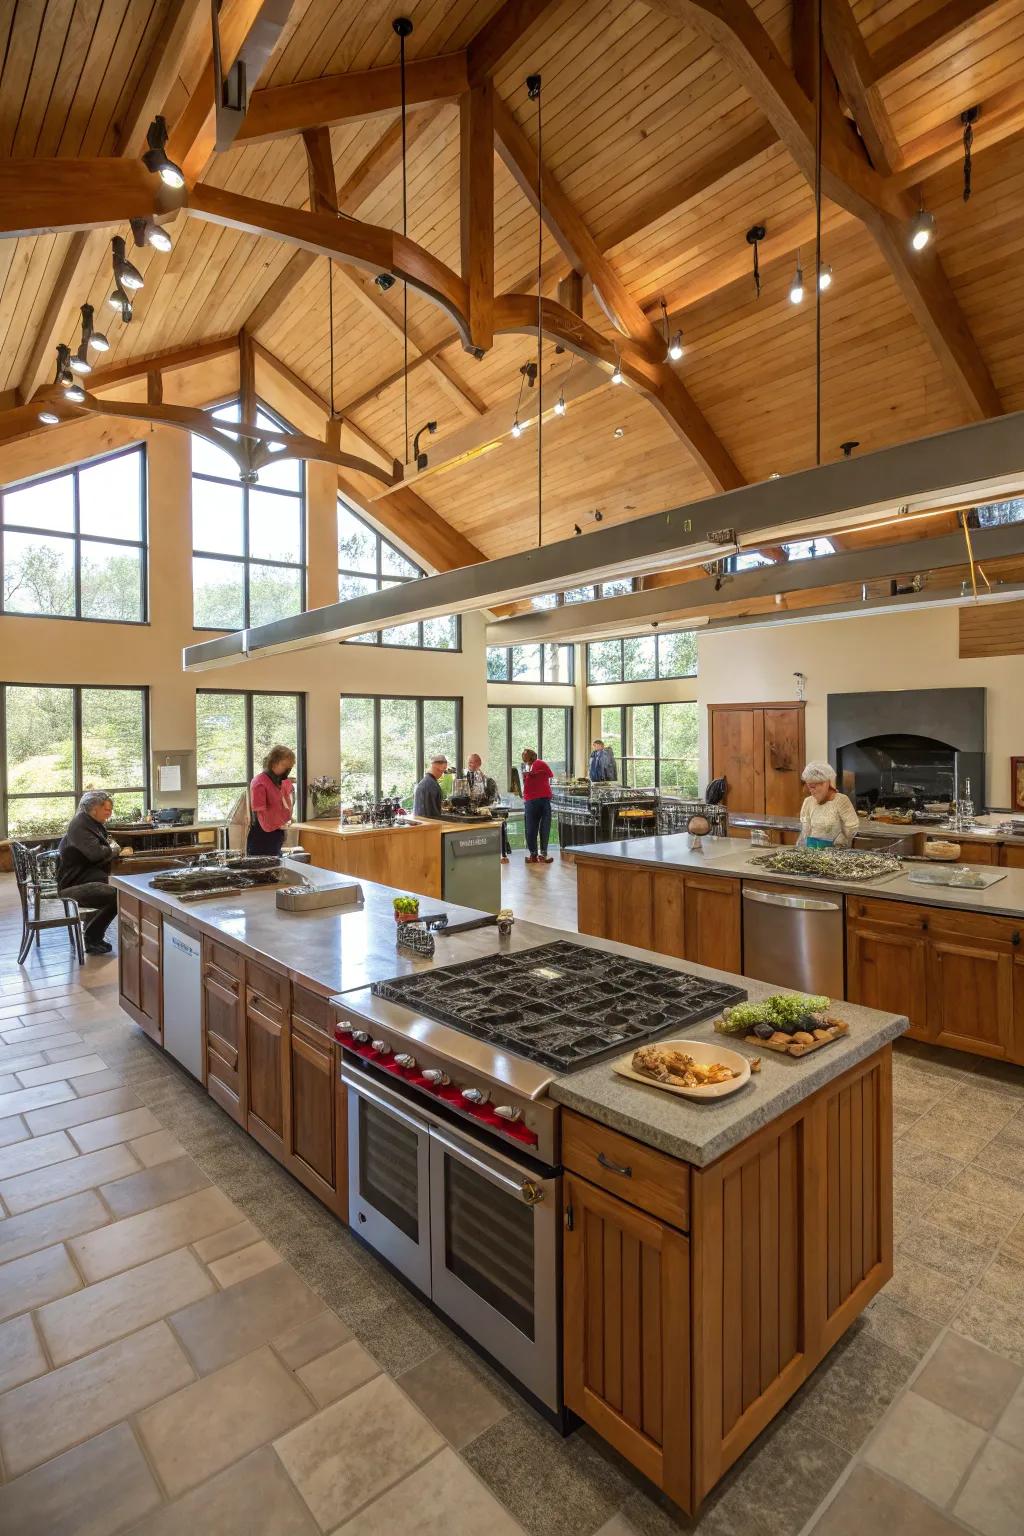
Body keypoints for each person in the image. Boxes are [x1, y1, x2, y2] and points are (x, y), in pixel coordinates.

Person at [56, 790, 120, 954]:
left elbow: (102, 849)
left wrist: (110, 848)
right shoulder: (80, 824)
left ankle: (92, 935)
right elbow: (97, 853)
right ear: (94, 809)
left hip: (83, 879)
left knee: (116, 889)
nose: (109, 813)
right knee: (118, 894)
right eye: (106, 809)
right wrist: (113, 849)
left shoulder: (90, 823)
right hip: (72, 886)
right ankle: (92, 938)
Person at [798, 761, 860, 848]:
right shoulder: (808, 802)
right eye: (809, 787)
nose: (811, 791)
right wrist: (802, 848)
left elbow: (852, 828)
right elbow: (805, 831)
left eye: (813, 787)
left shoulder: (841, 801)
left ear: (825, 783)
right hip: (812, 852)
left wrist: (836, 843)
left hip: (836, 854)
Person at [248, 745, 296, 856]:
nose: (287, 769)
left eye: (290, 766)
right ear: (274, 763)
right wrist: (280, 823)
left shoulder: (281, 781)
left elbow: (285, 805)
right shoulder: (259, 782)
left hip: (277, 833)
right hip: (263, 836)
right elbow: (261, 813)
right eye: (285, 765)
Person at [466, 752, 510, 863]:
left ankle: (498, 854)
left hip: (483, 812)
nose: (469, 764)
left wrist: (482, 807)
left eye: (472, 762)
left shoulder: (487, 781)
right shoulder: (464, 777)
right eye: (469, 762)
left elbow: (491, 798)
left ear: (479, 764)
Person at [521, 747, 554, 864]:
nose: (524, 759)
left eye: (525, 756)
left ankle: (533, 855)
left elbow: (548, 775)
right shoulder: (540, 764)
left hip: (532, 800)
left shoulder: (534, 764)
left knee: (531, 828)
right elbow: (550, 775)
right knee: (545, 827)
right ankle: (543, 854)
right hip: (544, 799)